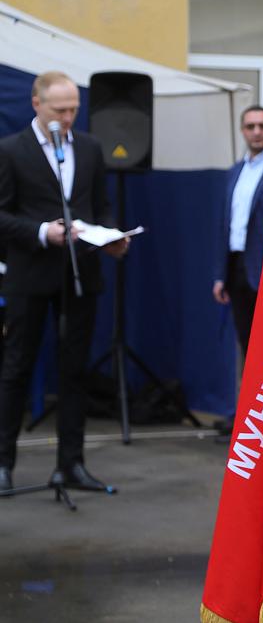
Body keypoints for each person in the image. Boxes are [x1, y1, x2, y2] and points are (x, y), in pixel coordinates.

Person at [0, 71, 127, 494]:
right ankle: (3, 463)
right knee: (17, 368)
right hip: (30, 275)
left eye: (73, 108)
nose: (68, 116)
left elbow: (100, 206)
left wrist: (111, 237)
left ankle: (71, 463)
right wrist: (41, 231)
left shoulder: (89, 148)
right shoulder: (11, 151)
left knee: (74, 373)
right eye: (60, 109)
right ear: (36, 104)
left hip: (80, 275)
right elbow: (2, 216)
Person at [213, 106, 263, 354]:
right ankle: (250, 394)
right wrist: (221, 274)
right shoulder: (235, 171)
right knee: (246, 343)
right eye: (251, 126)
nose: (256, 132)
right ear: (242, 130)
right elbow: (226, 224)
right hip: (236, 266)